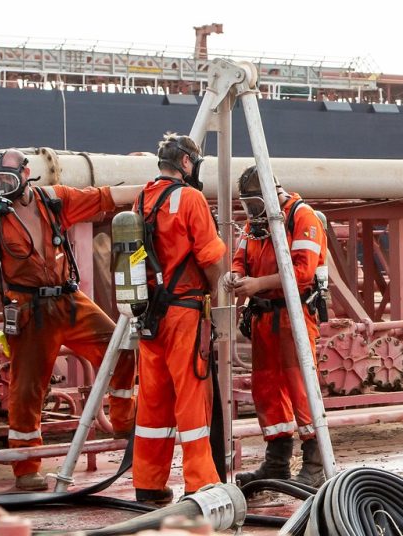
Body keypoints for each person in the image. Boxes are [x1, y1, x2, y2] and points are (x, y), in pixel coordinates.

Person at [0, 149, 143, 491]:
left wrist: (157, 189)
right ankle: (26, 469)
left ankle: (124, 420)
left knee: (119, 345)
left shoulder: (54, 201)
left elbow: (106, 196)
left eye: (9, 180)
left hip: (68, 299)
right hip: (29, 308)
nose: (3, 187)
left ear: (27, 175)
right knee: (27, 388)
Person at [129, 134, 229, 504]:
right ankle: (201, 482)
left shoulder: (142, 199)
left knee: (153, 402)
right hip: (185, 312)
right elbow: (211, 258)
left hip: (149, 315)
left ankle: (149, 484)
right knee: (191, 396)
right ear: (187, 163)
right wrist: (222, 307)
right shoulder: (190, 198)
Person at [229, 166, 330, 488]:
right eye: (248, 205)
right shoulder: (254, 224)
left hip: (294, 315)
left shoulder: (302, 217)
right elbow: (240, 256)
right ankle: (277, 462)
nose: (251, 211)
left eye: (255, 203)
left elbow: (301, 272)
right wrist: (236, 276)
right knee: (267, 388)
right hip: (264, 317)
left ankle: (315, 463)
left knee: (301, 387)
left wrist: (257, 284)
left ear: (271, 195)